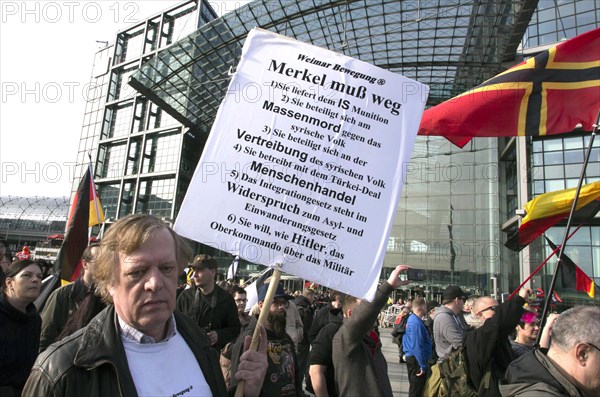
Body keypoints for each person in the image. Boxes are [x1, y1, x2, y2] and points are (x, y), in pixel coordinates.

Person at [22, 214, 267, 396]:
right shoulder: (60, 371)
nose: (155, 283)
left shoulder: (199, 342)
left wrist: (246, 393)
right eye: (138, 271)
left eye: (167, 268)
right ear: (109, 282)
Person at [332, 264, 410, 397]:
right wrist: (387, 286)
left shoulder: (372, 340)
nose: (371, 312)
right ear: (351, 314)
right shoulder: (344, 338)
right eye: (364, 306)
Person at [500, 305, 600, 397]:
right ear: (582, 353)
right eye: (531, 324)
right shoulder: (517, 351)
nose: (536, 328)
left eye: (537, 324)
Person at [231, 282, 302, 396]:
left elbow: (296, 377)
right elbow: (237, 386)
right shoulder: (250, 340)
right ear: (261, 305)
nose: (282, 307)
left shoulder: (285, 338)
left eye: (284, 303)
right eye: (277, 303)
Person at [462, 288, 530, 396]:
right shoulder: (477, 335)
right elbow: (498, 322)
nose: (498, 312)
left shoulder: (494, 334)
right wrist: (519, 299)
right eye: (494, 309)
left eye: (499, 308)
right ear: (479, 314)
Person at [39, 244, 101, 352]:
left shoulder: (111, 296)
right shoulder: (63, 294)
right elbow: (45, 336)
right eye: (99, 261)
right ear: (85, 264)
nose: (104, 265)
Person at [177, 254, 241, 351]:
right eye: (194, 270)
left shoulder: (226, 299)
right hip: (185, 353)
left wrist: (218, 335)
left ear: (212, 272)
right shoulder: (185, 297)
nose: (195, 275)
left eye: (199, 270)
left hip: (210, 356)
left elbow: (235, 329)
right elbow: (173, 325)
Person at [0, 259, 43, 396]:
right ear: (9, 283)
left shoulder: (35, 320)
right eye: (27, 275)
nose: (35, 280)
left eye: (39, 276)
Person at [221, 285, 252, 387]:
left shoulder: (250, 320)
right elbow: (224, 348)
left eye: (244, 300)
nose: (242, 303)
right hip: (229, 370)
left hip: (245, 367)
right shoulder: (224, 319)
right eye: (238, 300)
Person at [402, 297, 433, 397]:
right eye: (425, 305)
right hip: (416, 360)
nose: (426, 308)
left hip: (413, 358)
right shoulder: (415, 323)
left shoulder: (413, 320)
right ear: (422, 307)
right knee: (416, 390)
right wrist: (422, 365)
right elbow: (417, 345)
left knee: (415, 388)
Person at [433, 285, 468, 362]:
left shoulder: (452, 315)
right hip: (448, 365)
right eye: (463, 300)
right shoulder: (444, 318)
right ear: (457, 300)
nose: (464, 303)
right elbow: (460, 343)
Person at [294, 287, 316, 378]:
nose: (314, 299)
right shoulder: (305, 308)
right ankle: (298, 390)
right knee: (300, 366)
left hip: (294, 339)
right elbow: (308, 328)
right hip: (302, 341)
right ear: (310, 296)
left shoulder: (295, 303)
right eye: (313, 297)